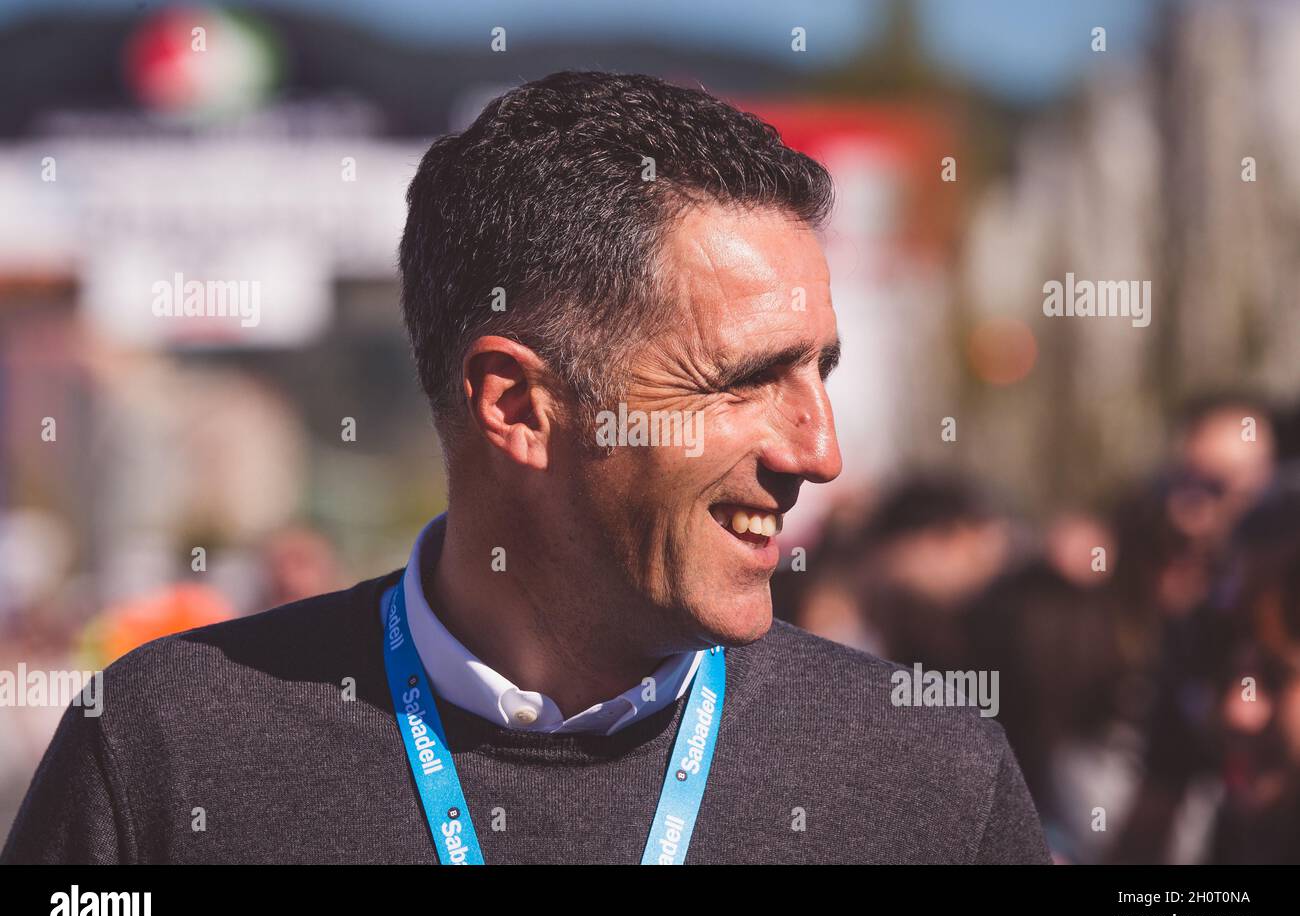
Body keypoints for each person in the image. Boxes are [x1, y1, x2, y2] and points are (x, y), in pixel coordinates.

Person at [2, 71, 1049, 864]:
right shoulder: (169, 748)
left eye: (819, 370)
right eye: (743, 381)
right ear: (515, 405)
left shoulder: (925, 776)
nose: (817, 453)